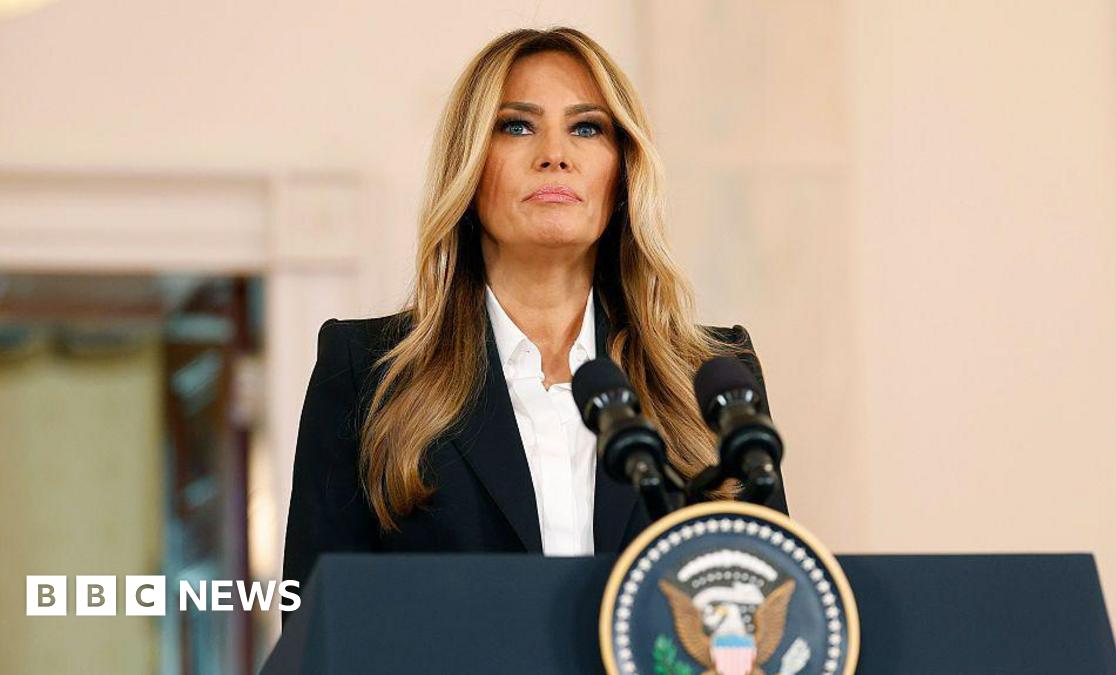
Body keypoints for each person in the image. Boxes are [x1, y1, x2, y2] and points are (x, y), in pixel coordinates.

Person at [282, 27, 788, 609]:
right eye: (517, 126)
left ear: (622, 176)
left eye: (587, 127)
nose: (555, 154)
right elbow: (317, 626)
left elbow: (768, 611)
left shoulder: (713, 376)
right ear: (470, 168)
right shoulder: (366, 373)